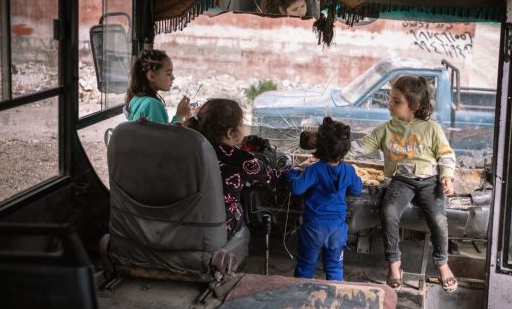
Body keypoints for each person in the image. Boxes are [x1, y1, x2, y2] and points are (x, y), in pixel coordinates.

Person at [351, 76, 458, 292]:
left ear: (415, 106)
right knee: (388, 212)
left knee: (438, 219)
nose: (390, 104)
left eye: (396, 101)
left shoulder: (431, 129)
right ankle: (394, 264)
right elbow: (361, 146)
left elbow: (446, 155)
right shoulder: (386, 130)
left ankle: (442, 263)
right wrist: (332, 146)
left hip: (430, 181)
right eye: (390, 99)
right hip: (401, 181)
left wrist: (446, 176)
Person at [183, 98, 279, 238]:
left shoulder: (188, 147)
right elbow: (272, 178)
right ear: (230, 133)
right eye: (241, 124)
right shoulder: (241, 159)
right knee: (241, 207)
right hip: (216, 228)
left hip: (183, 221)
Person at [286, 117, 363, 281]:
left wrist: (291, 174)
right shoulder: (348, 170)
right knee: (335, 268)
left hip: (313, 229)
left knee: (305, 268)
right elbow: (357, 189)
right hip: (337, 229)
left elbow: (297, 188)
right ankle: (334, 300)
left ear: (319, 147)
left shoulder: (313, 170)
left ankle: (297, 297)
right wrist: (351, 177)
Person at [124, 49, 190, 124]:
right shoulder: (152, 105)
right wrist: (180, 115)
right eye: (168, 74)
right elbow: (166, 135)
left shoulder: (136, 99)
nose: (173, 77)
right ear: (151, 76)